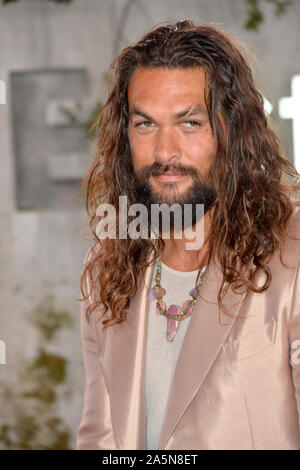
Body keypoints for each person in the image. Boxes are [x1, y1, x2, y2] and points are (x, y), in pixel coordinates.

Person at [75, 19, 300, 450]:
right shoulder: (107, 263)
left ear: (231, 129)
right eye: (145, 125)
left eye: (189, 123)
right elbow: (100, 437)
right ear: (125, 136)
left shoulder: (292, 248)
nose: (164, 151)